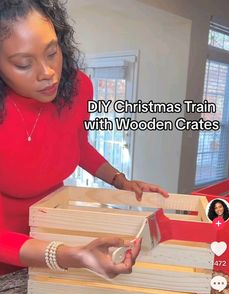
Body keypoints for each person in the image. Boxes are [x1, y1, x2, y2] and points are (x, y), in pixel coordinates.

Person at [0, 0, 168, 279]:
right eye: (23, 64)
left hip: (53, 229)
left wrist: (119, 180)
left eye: (52, 53)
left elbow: (75, 144)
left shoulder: (76, 87)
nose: (47, 73)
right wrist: (69, 254)